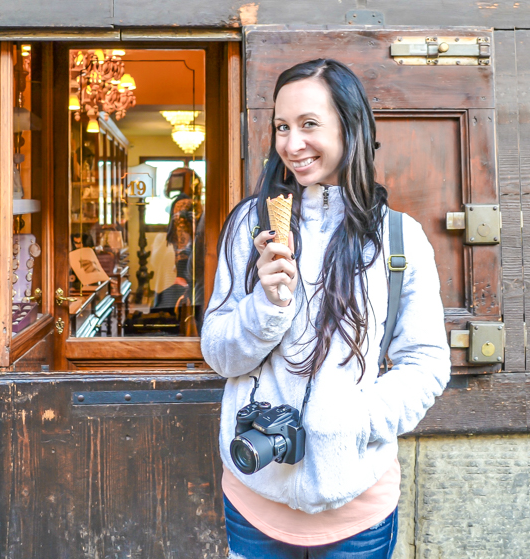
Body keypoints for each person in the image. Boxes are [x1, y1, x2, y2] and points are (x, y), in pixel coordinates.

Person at [201, 59, 451, 558]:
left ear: (350, 126)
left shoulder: (398, 239)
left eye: (309, 124)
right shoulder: (249, 226)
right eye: (282, 127)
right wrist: (265, 306)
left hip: (358, 506)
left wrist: (355, 420)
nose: (292, 144)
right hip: (255, 497)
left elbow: (426, 363)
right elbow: (220, 356)